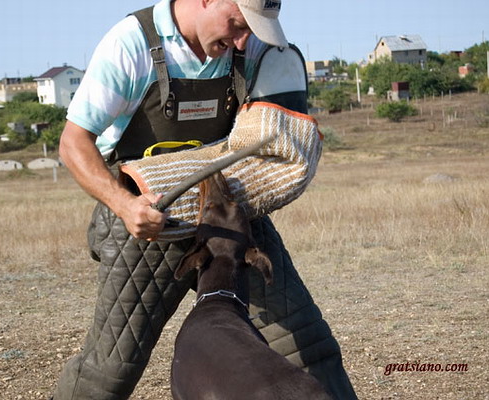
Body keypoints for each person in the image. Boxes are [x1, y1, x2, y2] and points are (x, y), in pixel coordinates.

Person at [52, 0, 358, 399]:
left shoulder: (249, 48)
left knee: (307, 346)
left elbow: (279, 126)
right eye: (237, 23)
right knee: (110, 371)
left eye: (253, 29)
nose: (244, 39)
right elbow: (73, 143)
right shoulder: (132, 44)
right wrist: (126, 206)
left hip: (227, 212)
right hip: (148, 220)